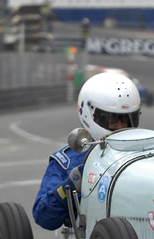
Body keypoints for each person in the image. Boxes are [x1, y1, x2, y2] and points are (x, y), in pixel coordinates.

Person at [32, 71, 141, 230]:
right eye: (113, 119)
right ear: (89, 113)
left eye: (126, 119)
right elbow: (44, 218)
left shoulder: (147, 154)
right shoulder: (66, 161)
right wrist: (70, 186)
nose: (121, 126)